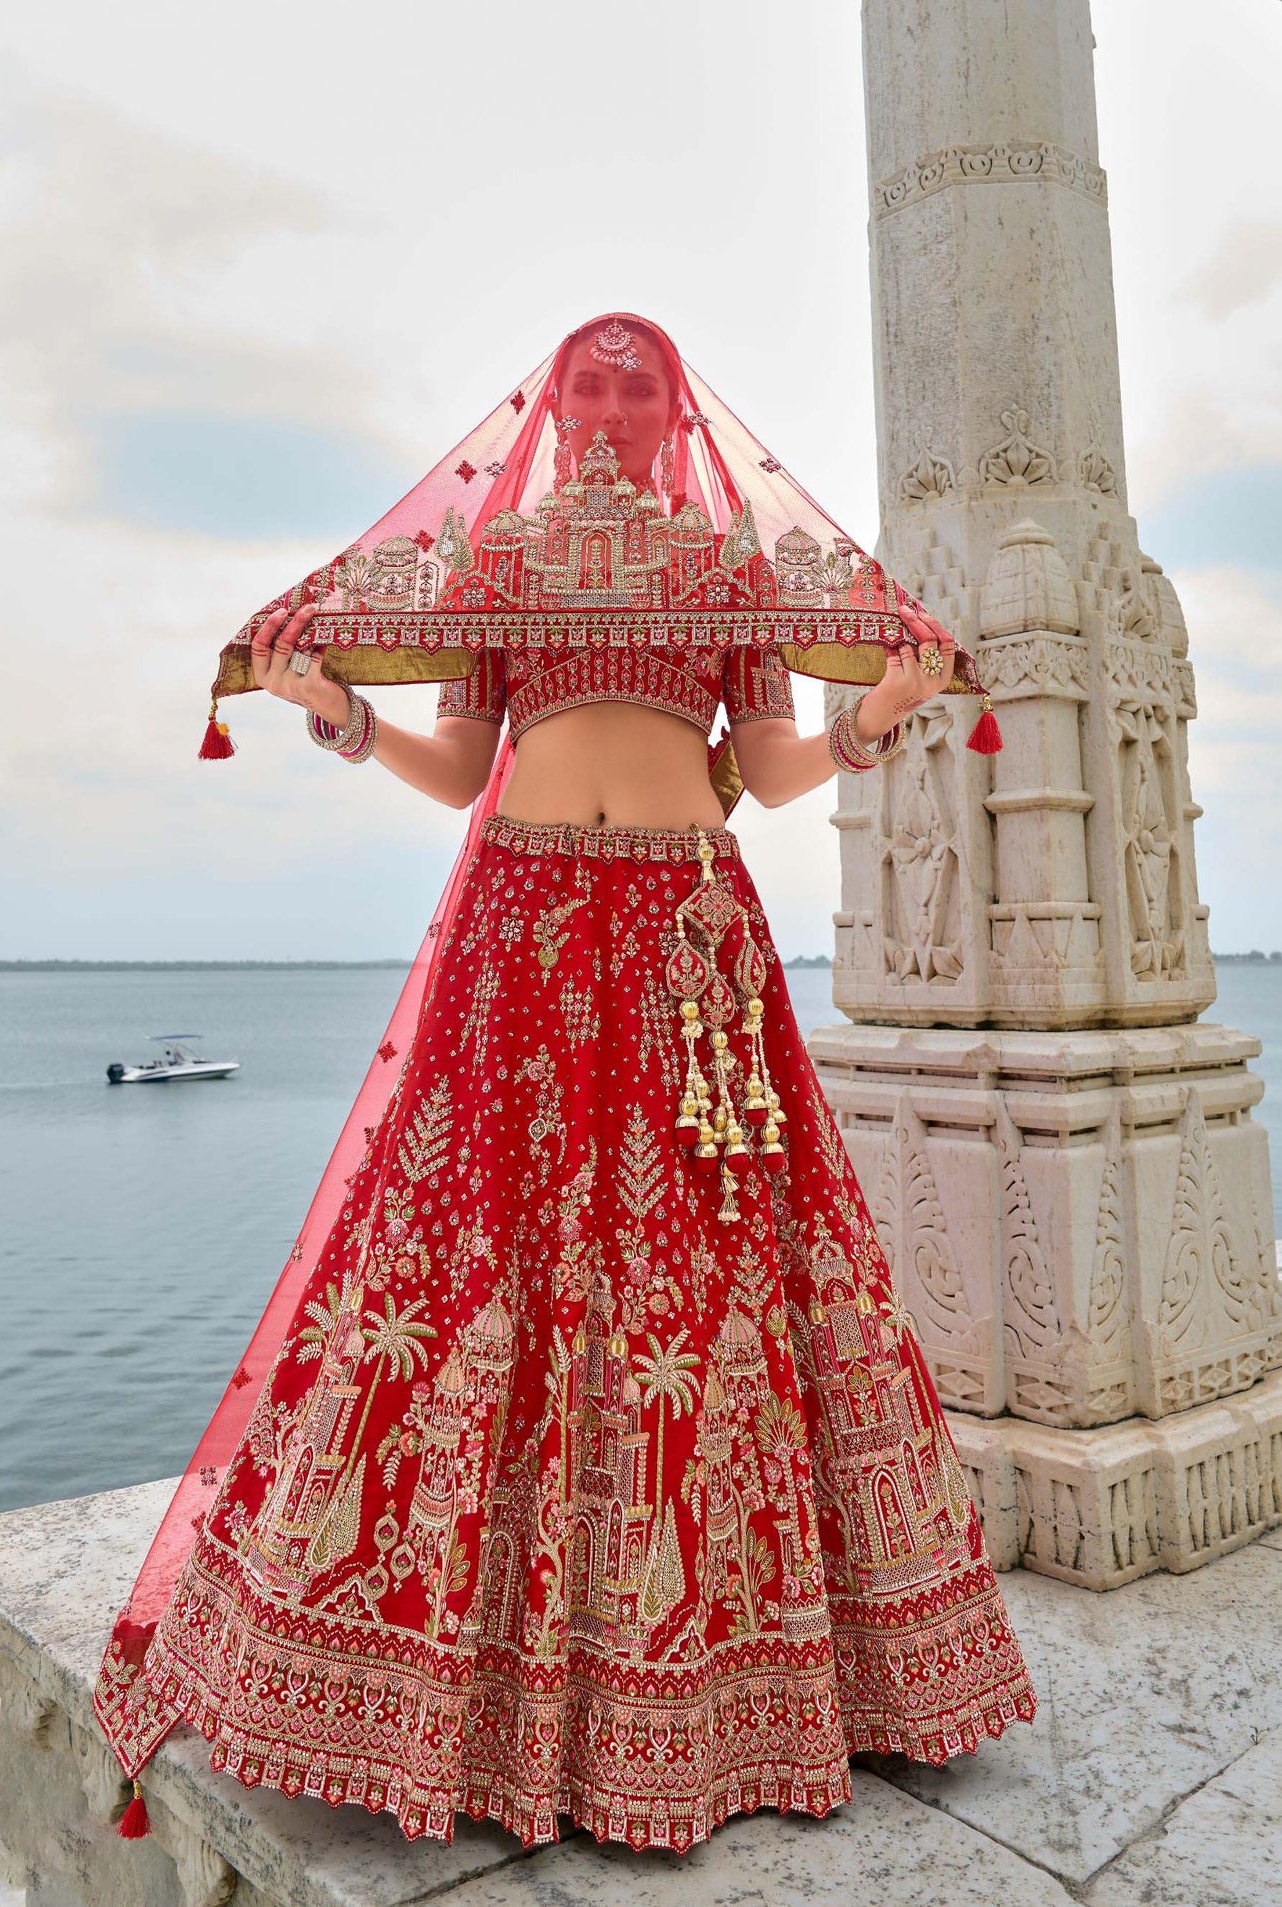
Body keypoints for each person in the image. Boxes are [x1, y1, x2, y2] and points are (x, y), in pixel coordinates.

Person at [93, 313, 1034, 1855]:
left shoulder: (731, 568)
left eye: (638, 386)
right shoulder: (500, 567)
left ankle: (740, 1690)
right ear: (550, 409)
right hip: (521, 929)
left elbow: (774, 771)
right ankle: (421, 1686)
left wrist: (884, 706)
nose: (609, 406)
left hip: (683, 933)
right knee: (473, 1253)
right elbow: (465, 775)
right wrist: (341, 717)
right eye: (588, 384)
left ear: (679, 414)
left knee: (708, 1276)